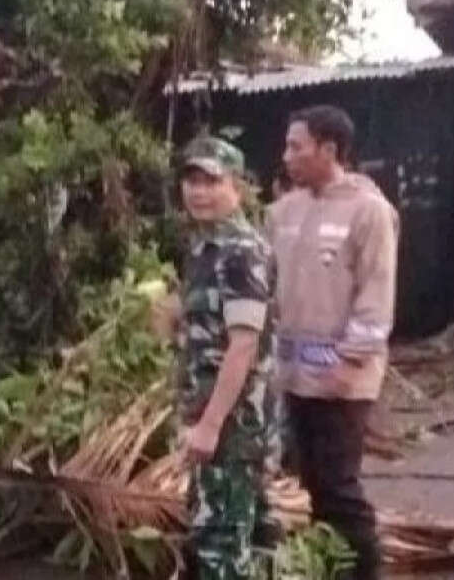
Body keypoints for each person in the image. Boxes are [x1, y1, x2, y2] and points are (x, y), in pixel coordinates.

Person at [268, 106, 399, 580]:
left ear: (329, 149)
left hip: (344, 380)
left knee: (341, 486)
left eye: (296, 146)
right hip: (294, 377)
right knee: (313, 485)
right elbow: (264, 285)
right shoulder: (283, 211)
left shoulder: (369, 210)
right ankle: (333, 569)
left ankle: (367, 573)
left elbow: (376, 293)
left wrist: (352, 363)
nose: (287, 156)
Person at [169, 135, 276, 579]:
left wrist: (211, 426)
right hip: (211, 416)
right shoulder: (204, 249)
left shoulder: (240, 252)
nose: (199, 191)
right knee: (240, 539)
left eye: (211, 181)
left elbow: (244, 345)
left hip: (233, 426)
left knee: (221, 548)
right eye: (191, 180)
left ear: (236, 185)